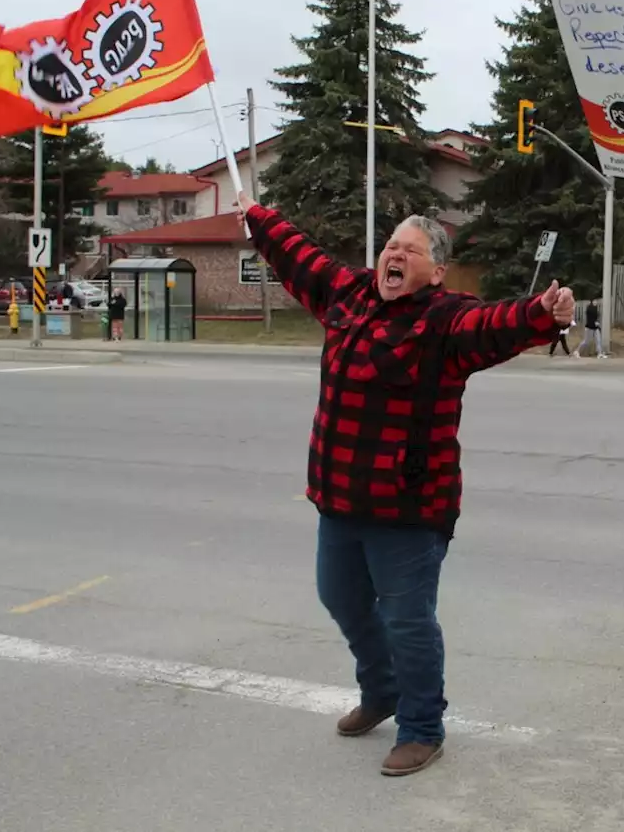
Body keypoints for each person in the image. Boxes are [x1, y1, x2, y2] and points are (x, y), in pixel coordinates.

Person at [234, 191, 575, 777]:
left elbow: (490, 325)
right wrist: (256, 216)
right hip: (339, 498)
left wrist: (541, 313)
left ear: (435, 271)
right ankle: (382, 690)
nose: (394, 255)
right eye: (390, 246)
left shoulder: (444, 322)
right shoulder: (347, 294)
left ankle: (422, 727)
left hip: (409, 507)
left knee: (407, 620)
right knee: (339, 597)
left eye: (409, 251)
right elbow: (299, 256)